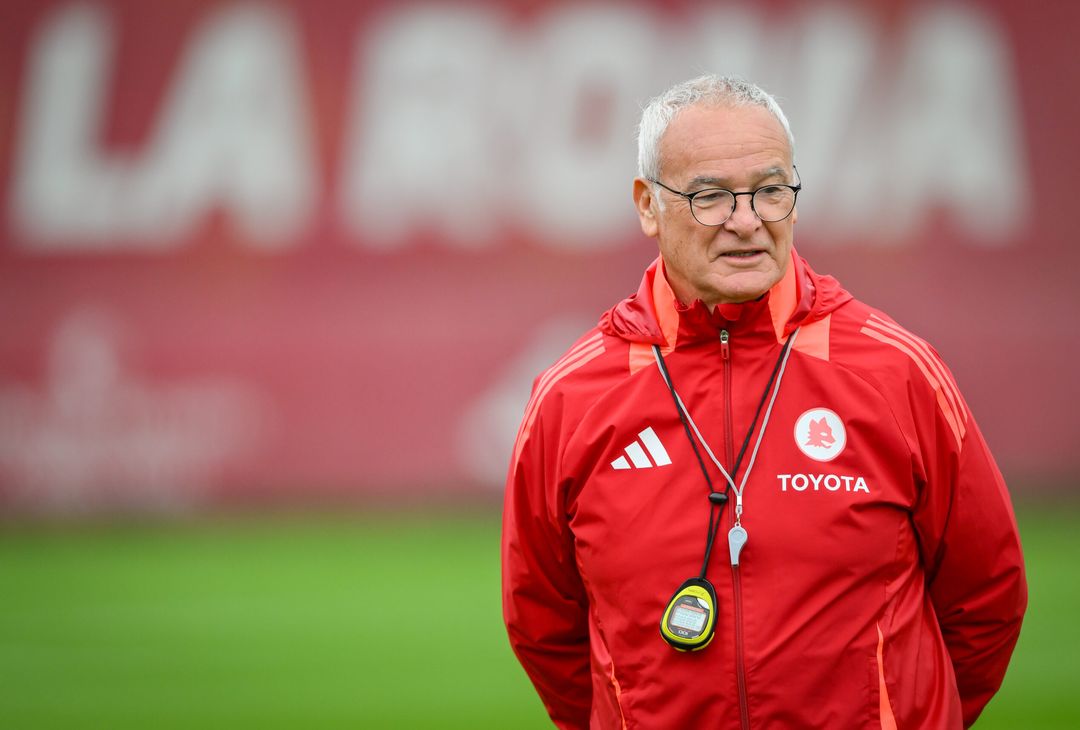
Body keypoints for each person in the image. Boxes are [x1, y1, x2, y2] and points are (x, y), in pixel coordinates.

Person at [501, 74, 1027, 729]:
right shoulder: (571, 400)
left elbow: (987, 598)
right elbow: (544, 627)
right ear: (646, 205)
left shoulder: (898, 373)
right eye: (711, 196)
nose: (747, 221)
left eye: (771, 191)